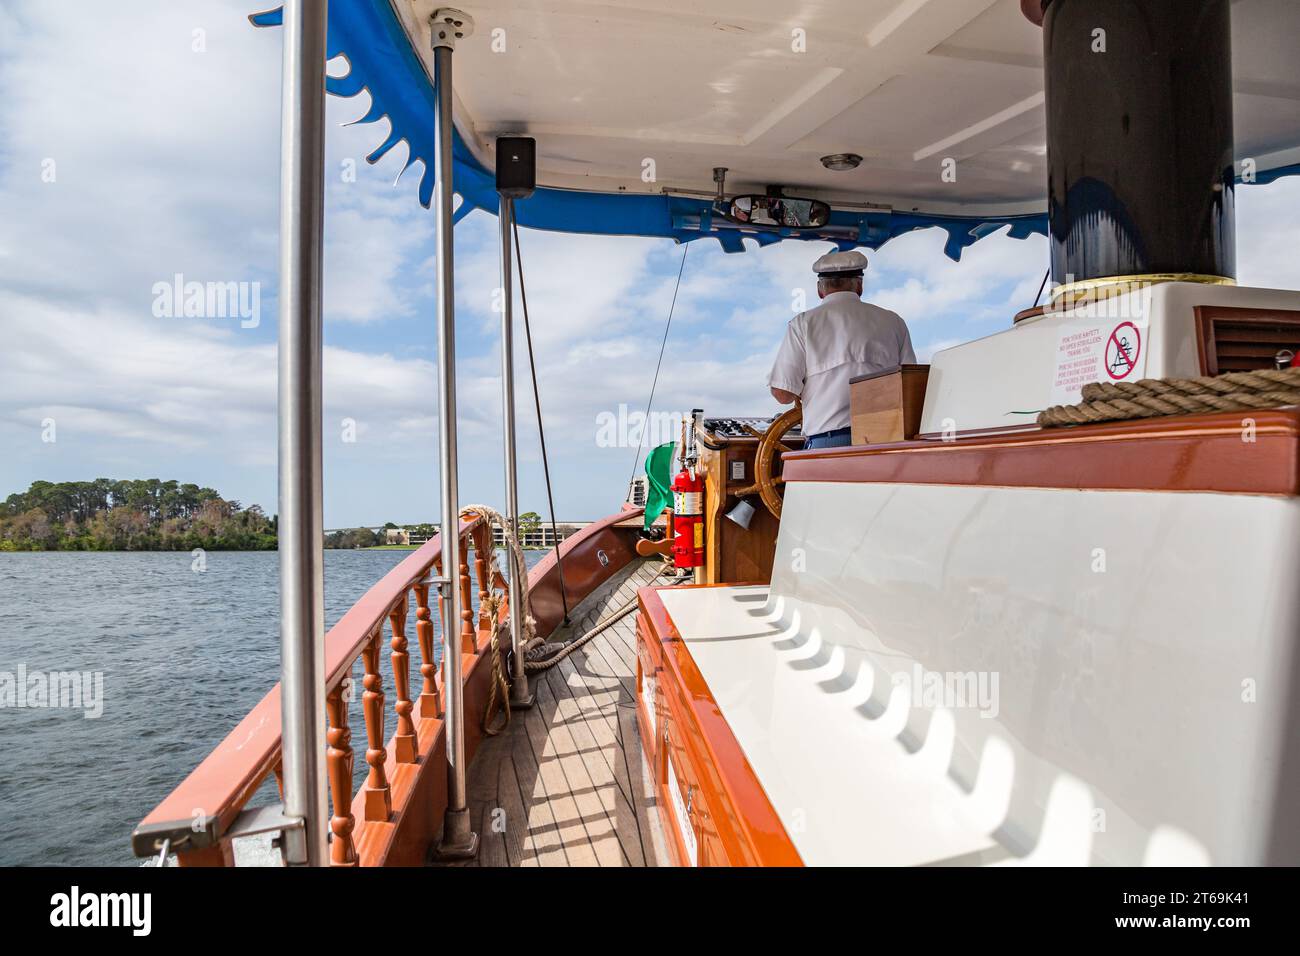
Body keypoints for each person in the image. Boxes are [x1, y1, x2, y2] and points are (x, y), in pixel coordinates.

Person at [768, 250, 915, 449]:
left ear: (820, 290)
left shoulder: (802, 324)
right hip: (884, 443)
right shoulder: (893, 322)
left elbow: (783, 393)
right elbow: (910, 386)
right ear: (860, 286)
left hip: (828, 444)